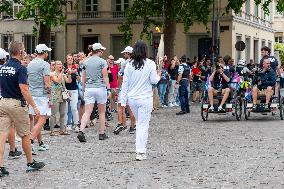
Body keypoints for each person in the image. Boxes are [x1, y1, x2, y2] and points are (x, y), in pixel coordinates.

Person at [0, 41, 45, 177]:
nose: (25, 51)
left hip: (3, 102)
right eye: (24, 50)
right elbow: (24, 89)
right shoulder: (21, 68)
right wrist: (34, 106)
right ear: (20, 52)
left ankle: (0, 166)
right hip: (16, 104)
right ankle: (30, 163)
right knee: (25, 134)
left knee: (2, 135)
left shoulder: (3, 67)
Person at [120, 40, 160, 161]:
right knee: (143, 124)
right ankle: (140, 151)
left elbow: (125, 84)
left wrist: (123, 101)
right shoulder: (150, 63)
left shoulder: (129, 65)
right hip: (145, 98)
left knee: (139, 122)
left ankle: (140, 150)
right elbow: (154, 81)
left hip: (132, 99)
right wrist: (159, 74)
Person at [77, 43, 110, 142]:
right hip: (100, 88)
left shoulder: (86, 62)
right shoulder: (103, 62)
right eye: (102, 50)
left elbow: (83, 77)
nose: (102, 52)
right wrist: (108, 88)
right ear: (99, 51)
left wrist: (83, 89)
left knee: (87, 112)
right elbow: (105, 76)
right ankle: (101, 133)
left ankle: (81, 131)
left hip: (89, 88)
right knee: (101, 112)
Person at [27, 44, 51, 154]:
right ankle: (30, 141)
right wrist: (51, 95)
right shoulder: (45, 64)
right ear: (45, 52)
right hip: (41, 95)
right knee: (42, 119)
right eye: (47, 52)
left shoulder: (30, 64)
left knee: (37, 120)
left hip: (32, 94)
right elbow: (47, 83)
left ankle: (40, 143)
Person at [113, 46, 136, 135]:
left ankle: (121, 123)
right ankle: (132, 126)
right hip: (133, 88)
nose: (124, 55)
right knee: (131, 108)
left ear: (127, 53)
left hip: (124, 88)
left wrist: (118, 88)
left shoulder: (125, 63)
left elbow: (120, 76)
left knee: (120, 106)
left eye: (125, 53)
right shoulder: (136, 63)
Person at [50, 61, 72, 136]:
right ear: (55, 66)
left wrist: (69, 74)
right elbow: (57, 81)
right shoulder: (52, 74)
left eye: (61, 64)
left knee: (62, 113)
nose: (60, 65)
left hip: (63, 96)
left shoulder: (62, 74)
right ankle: (52, 131)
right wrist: (61, 73)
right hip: (55, 96)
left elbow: (69, 81)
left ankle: (62, 130)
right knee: (53, 114)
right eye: (58, 64)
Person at [65, 54, 80, 131]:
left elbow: (79, 80)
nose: (70, 59)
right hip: (66, 90)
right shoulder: (64, 68)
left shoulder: (76, 68)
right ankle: (68, 124)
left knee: (74, 108)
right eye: (68, 58)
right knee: (66, 109)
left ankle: (76, 124)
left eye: (71, 58)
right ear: (66, 60)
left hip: (74, 90)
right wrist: (68, 73)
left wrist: (76, 73)